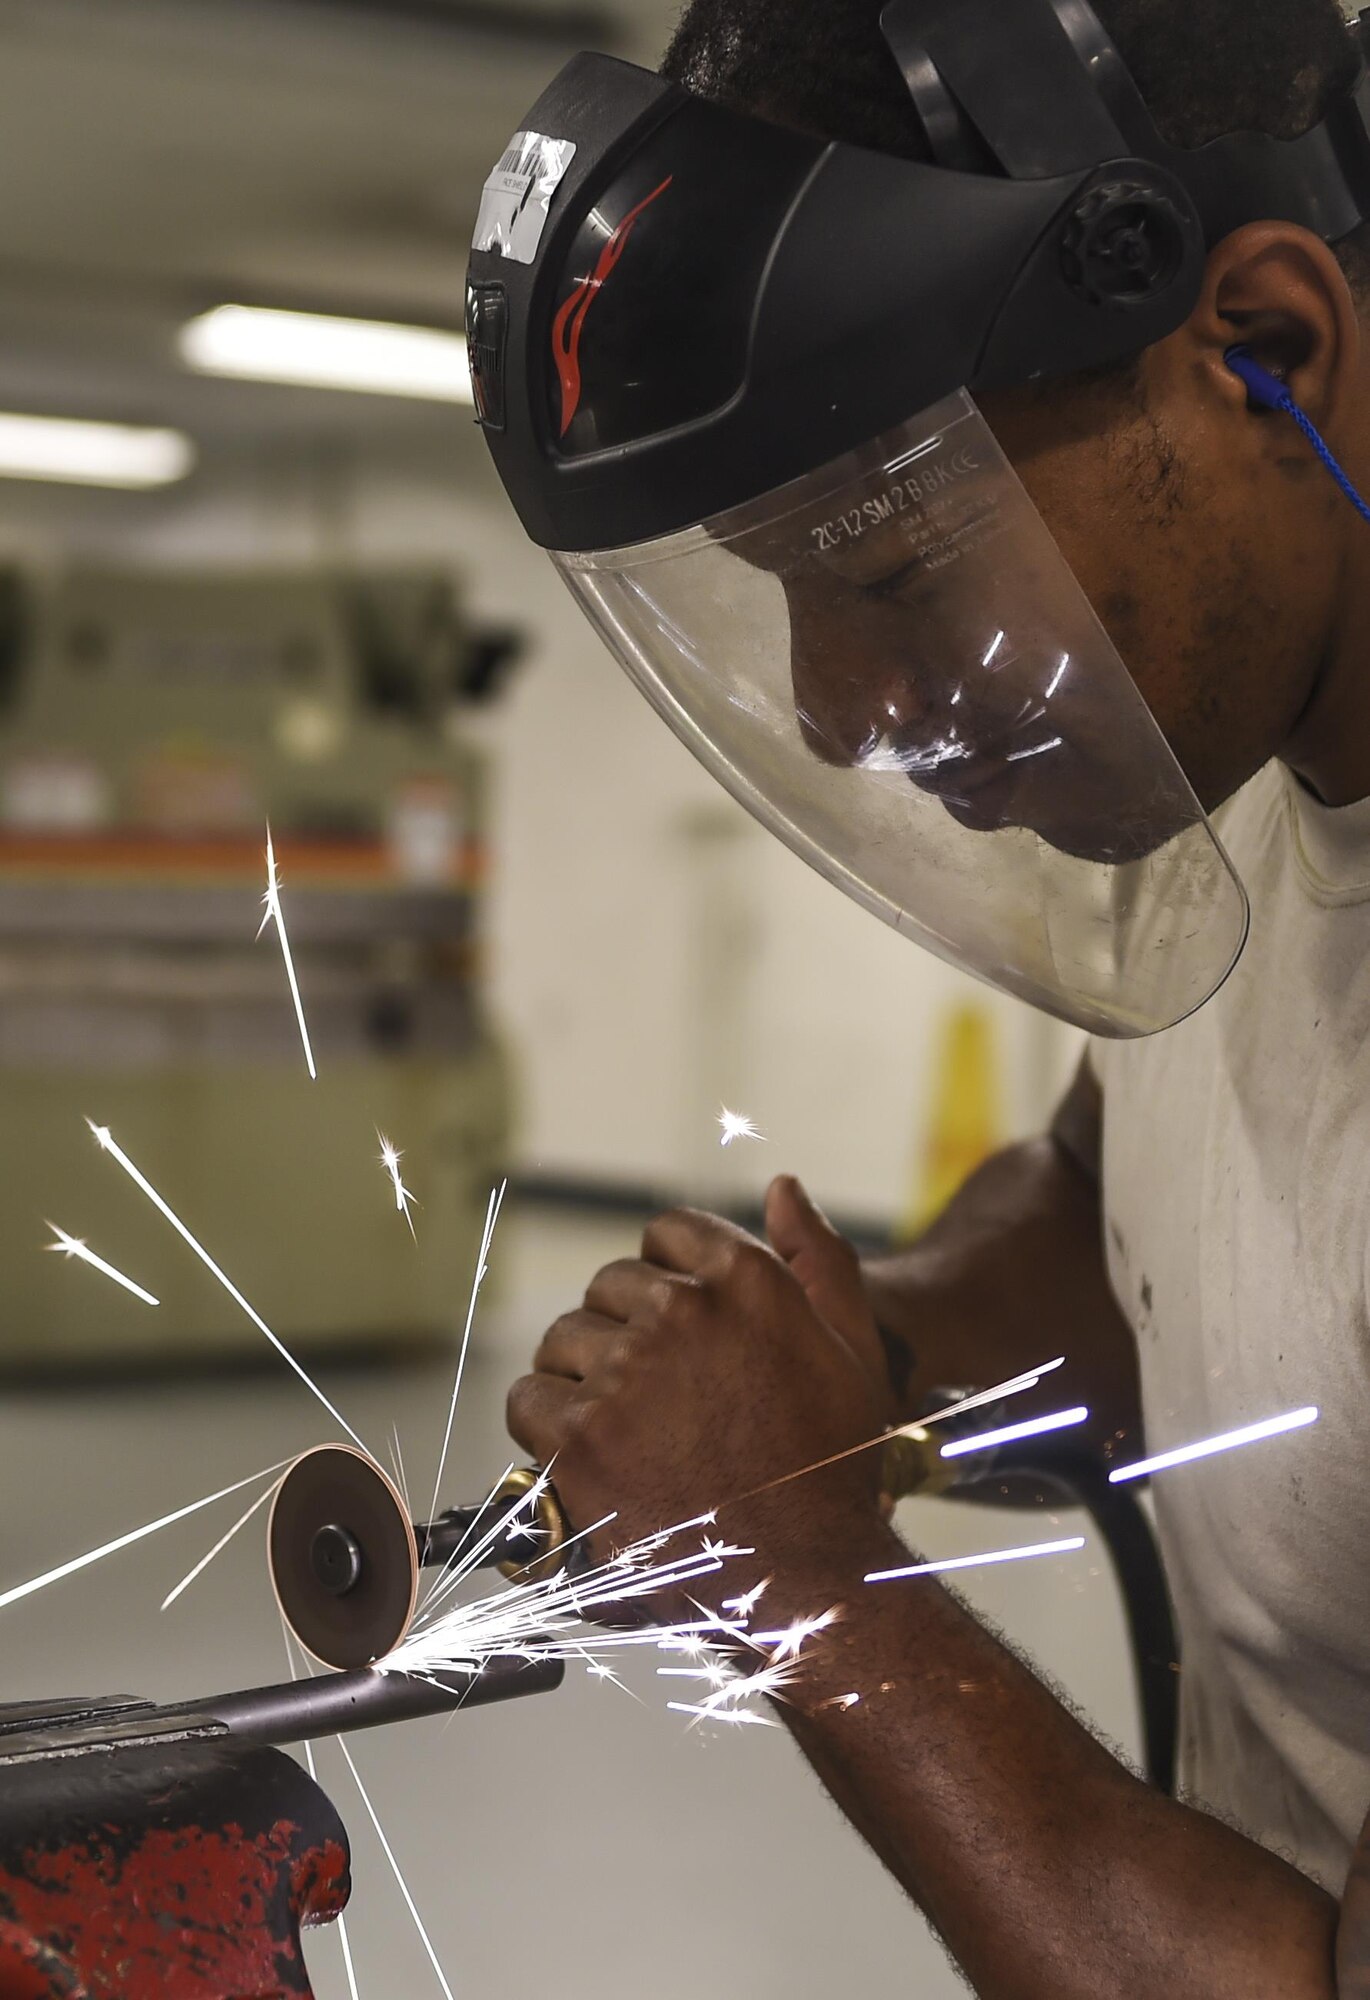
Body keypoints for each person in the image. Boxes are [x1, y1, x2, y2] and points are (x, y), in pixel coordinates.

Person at [490, 0, 1370, 1990]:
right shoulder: (1248, 783)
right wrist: (862, 1365)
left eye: (892, 574)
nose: (838, 707)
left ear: (1263, 349)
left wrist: (809, 1588)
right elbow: (1109, 1204)